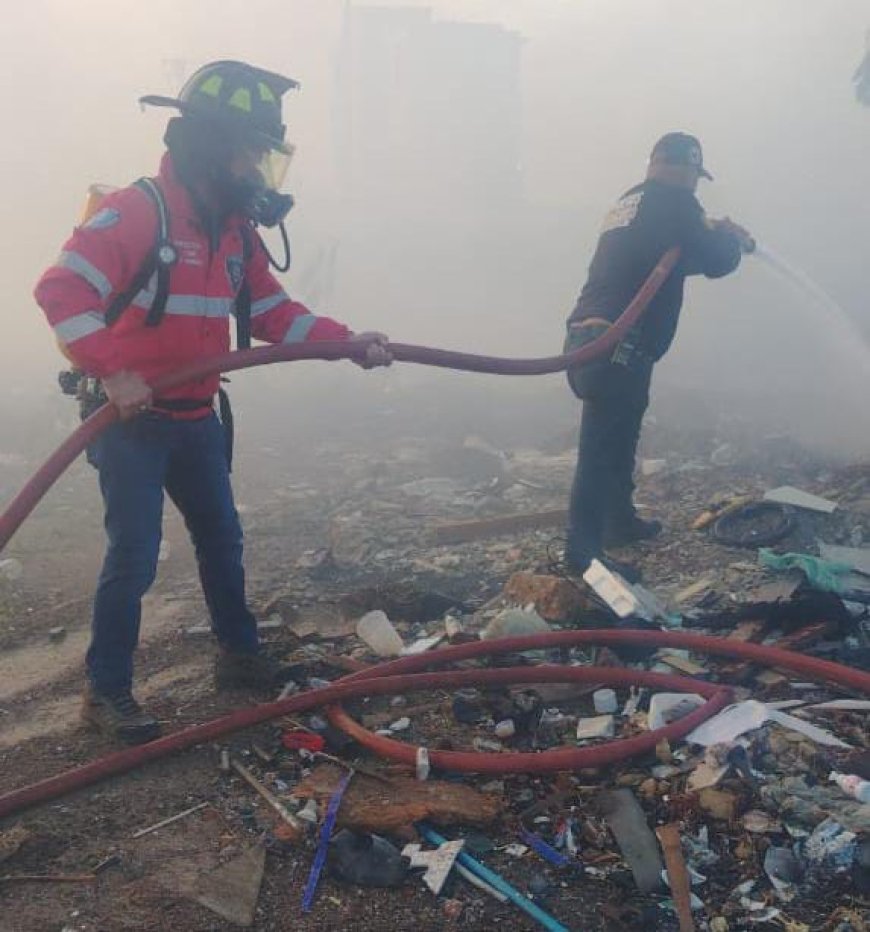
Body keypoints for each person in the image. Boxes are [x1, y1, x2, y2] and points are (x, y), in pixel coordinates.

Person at [34, 61, 392, 744]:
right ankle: (105, 692)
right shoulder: (138, 212)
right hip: (133, 424)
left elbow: (273, 312)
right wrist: (114, 372)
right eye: (250, 151)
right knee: (135, 555)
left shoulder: (233, 231)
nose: (258, 168)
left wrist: (347, 342)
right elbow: (60, 291)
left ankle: (239, 656)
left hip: (196, 418)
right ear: (209, 145)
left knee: (222, 540)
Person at [564, 132, 752, 578]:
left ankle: (618, 522)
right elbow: (715, 260)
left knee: (620, 434)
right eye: (695, 176)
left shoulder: (632, 202)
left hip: (593, 333)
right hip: (616, 339)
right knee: (601, 446)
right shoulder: (675, 202)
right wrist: (732, 240)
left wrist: (708, 231)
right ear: (686, 169)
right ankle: (582, 551)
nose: (695, 185)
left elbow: (674, 256)